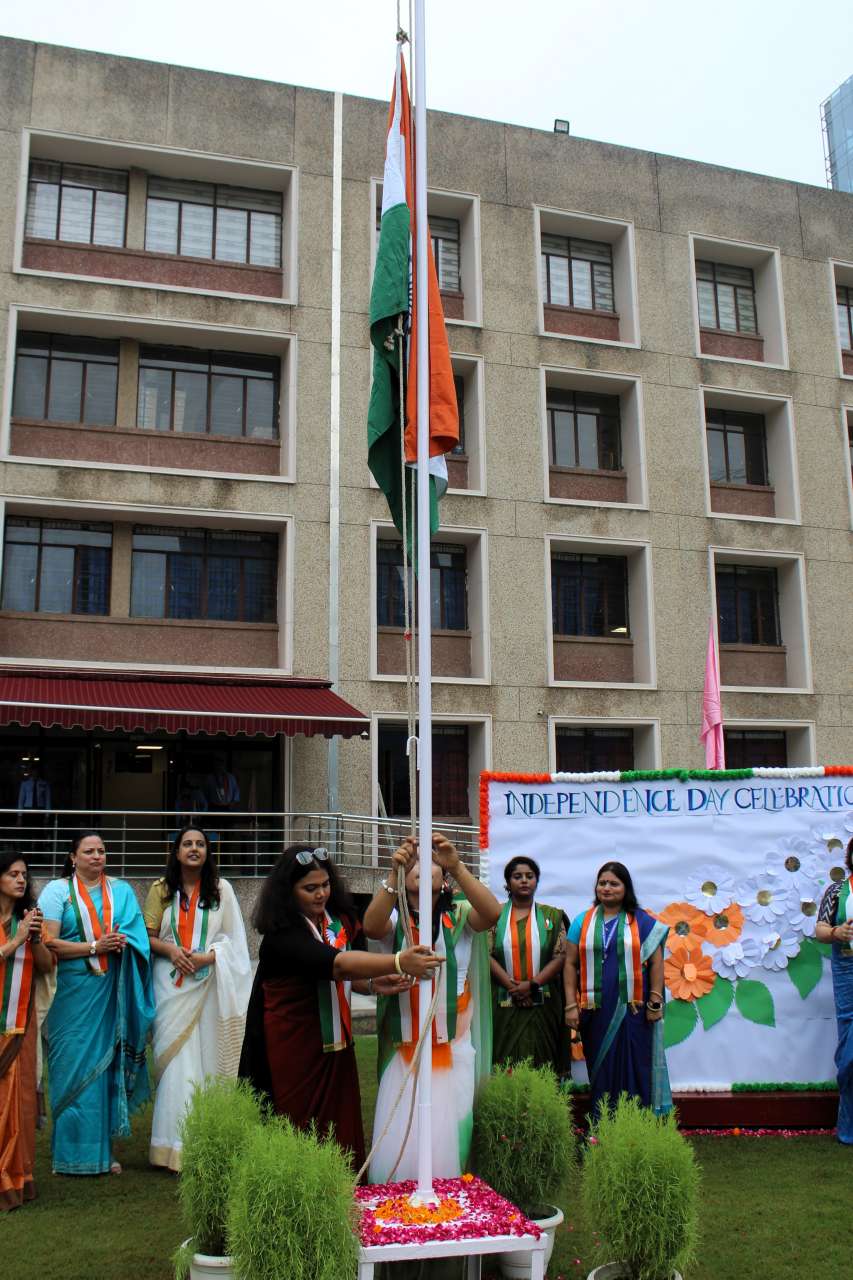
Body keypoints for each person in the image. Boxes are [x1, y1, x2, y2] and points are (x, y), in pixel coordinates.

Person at [238, 844, 442, 1171]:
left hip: (336, 1046)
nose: (321, 894)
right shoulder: (282, 937)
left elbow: (343, 977)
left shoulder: (333, 923)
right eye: (310, 888)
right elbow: (337, 965)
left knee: (340, 1130)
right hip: (296, 1050)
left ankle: (342, 1190)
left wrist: (372, 984)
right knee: (298, 1127)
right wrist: (398, 961)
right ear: (288, 892)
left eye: (325, 884)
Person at [363, 833, 500, 1184]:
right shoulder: (395, 916)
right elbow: (371, 927)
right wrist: (392, 875)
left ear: (445, 875)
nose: (422, 867)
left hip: (453, 1043)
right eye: (413, 862)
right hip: (405, 1045)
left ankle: (445, 1189)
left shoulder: (460, 915)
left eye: (433, 862)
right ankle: (399, 1190)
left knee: (450, 1123)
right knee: (401, 1123)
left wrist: (458, 865)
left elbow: (492, 913)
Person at [38, 831, 155, 1175]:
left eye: (101, 851)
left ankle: (102, 1153)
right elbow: (48, 943)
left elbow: (138, 938)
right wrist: (94, 947)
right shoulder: (57, 891)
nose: (97, 856)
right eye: (88, 851)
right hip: (69, 995)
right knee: (70, 1068)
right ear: (73, 857)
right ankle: (67, 1156)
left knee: (104, 1071)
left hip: (109, 993)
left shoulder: (121, 891)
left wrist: (123, 942)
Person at [144, 825, 252, 1171]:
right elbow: (146, 937)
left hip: (208, 985)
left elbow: (235, 941)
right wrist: (172, 951)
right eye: (187, 844)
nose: (194, 849)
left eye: (200, 844)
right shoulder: (161, 890)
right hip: (170, 985)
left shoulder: (222, 890)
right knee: (177, 1065)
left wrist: (209, 957)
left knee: (205, 1061)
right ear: (176, 852)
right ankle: (170, 1146)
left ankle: (201, 1144)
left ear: (207, 852)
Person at [564, 860, 670, 1117]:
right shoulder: (582, 922)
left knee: (636, 1064)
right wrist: (570, 1005)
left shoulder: (642, 922)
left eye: (614, 883)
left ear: (626, 888)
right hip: (595, 1012)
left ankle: (638, 1122)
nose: (607, 888)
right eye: (602, 883)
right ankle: (603, 1122)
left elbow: (656, 963)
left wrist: (655, 1001)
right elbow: (569, 964)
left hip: (634, 1012)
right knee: (601, 1068)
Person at [0, 850, 53, 1209]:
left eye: (24, 875)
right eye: (12, 874)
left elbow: (47, 966)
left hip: (21, 1023)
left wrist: (32, 938)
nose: (21, 880)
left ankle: (15, 1176)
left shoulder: (30, 919)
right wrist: (16, 940)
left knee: (18, 1098)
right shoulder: (16, 927)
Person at [489, 856, 568, 1072]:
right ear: (508, 882)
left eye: (529, 876)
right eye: (517, 876)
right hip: (503, 1002)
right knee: (504, 1063)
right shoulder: (493, 915)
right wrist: (513, 988)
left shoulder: (553, 916)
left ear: (537, 881)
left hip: (544, 1003)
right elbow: (486, 955)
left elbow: (561, 956)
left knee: (543, 1063)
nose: (524, 880)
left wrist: (532, 985)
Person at [815, 835, 853, 1145]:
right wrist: (837, 932)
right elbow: (820, 929)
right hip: (848, 974)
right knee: (850, 1054)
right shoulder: (837, 891)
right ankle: (849, 1126)